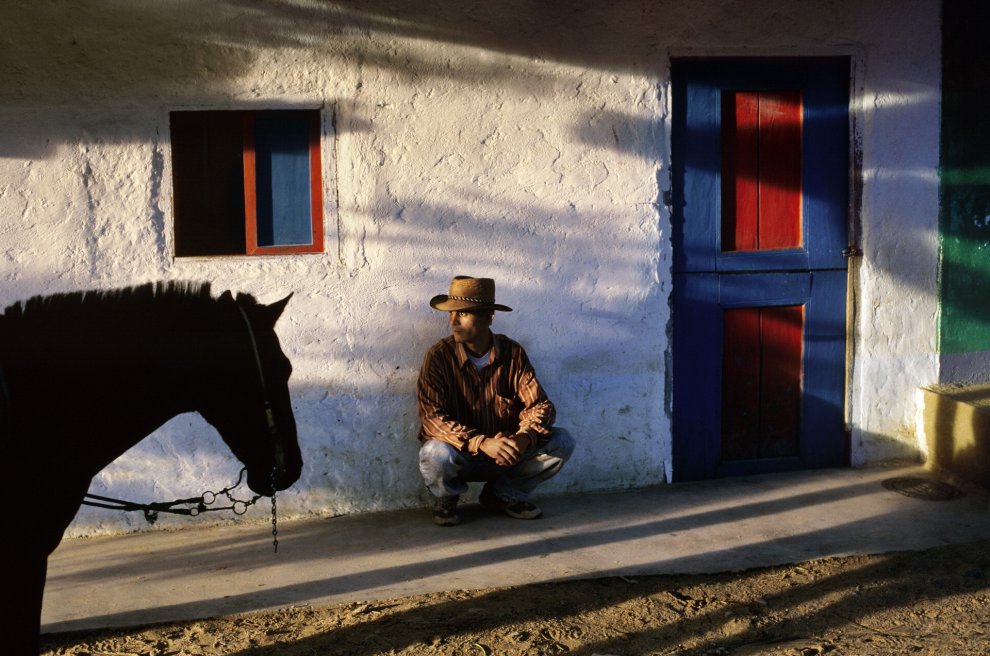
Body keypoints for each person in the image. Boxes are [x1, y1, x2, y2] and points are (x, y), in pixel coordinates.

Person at [417, 275, 574, 526]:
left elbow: (541, 406)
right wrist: (482, 443)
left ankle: (503, 496)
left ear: (489, 316)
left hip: (507, 454)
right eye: (451, 313)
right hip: (462, 455)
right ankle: (446, 499)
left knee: (562, 441)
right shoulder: (439, 357)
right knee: (434, 451)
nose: (453, 321)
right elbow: (432, 419)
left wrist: (523, 438)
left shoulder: (512, 353)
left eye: (464, 314)